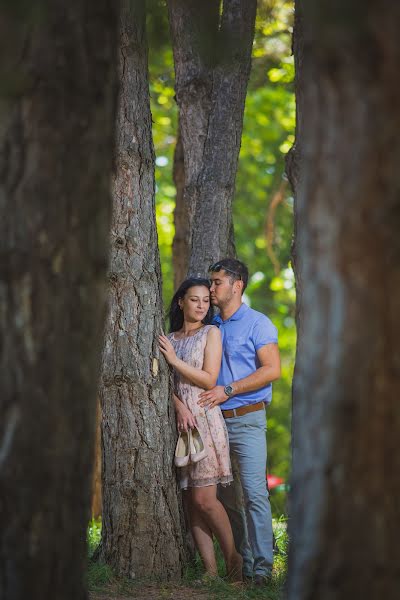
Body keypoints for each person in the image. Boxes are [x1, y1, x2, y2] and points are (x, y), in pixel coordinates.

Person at [198, 259, 281, 587]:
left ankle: (262, 571)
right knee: (227, 497)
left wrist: (228, 389)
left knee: (255, 494)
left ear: (237, 285)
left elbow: (272, 369)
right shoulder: (212, 325)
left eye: (217, 282)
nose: (211, 288)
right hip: (214, 423)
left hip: (247, 420)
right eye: (211, 282)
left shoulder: (258, 323)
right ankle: (241, 567)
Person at [158, 277, 242, 582]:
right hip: (178, 422)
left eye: (206, 300)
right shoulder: (170, 337)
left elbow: (209, 379)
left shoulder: (212, 332)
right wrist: (177, 405)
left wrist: (173, 360)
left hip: (205, 419)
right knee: (190, 503)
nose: (201, 305)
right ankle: (210, 571)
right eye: (194, 299)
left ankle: (234, 560)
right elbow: (158, 385)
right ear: (181, 301)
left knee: (204, 500)